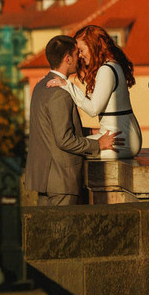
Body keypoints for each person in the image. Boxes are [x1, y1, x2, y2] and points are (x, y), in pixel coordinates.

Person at [25, 35, 122, 205]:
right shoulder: (60, 94)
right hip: (62, 180)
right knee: (61, 230)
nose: (80, 59)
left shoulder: (40, 87)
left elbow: (50, 128)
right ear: (68, 59)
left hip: (44, 179)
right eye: (77, 54)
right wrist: (98, 144)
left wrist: (88, 132)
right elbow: (64, 140)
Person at [49, 25, 141, 161]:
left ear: (93, 46)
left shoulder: (106, 70)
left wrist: (67, 85)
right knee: (73, 146)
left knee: (71, 153)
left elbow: (93, 109)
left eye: (81, 50)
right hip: (118, 136)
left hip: (122, 140)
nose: (79, 56)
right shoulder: (109, 67)